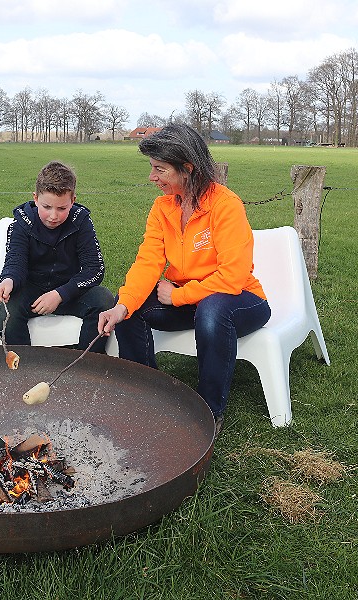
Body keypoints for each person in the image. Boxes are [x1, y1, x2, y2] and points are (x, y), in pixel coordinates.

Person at [97, 124, 271, 434]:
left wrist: (178, 296)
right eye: (152, 168)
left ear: (187, 169)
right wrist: (122, 306)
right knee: (128, 306)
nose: (152, 177)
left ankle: (208, 412)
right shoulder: (162, 208)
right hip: (193, 298)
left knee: (212, 309)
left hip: (241, 301)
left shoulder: (226, 205)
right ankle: (147, 396)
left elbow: (232, 277)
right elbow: (148, 262)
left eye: (160, 169)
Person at [0, 161, 114, 353]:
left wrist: (60, 294)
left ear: (73, 201)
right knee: (6, 308)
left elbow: (95, 269)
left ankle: (87, 363)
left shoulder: (81, 221)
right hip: (31, 291)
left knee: (104, 299)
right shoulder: (21, 223)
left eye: (62, 208)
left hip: (70, 291)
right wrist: (8, 280)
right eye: (47, 207)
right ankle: (23, 366)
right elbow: (15, 261)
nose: (53, 216)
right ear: (35, 198)